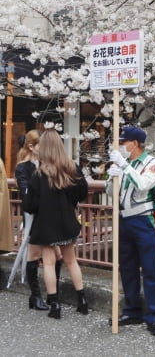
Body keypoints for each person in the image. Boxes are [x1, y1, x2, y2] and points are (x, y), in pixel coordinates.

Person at [22, 130, 89, 319]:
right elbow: (82, 191)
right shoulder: (72, 168)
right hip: (67, 222)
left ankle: (55, 306)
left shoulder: (39, 174)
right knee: (71, 261)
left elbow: (29, 205)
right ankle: (82, 301)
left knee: (49, 263)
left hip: (46, 225)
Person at [106, 125, 155, 336]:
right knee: (127, 268)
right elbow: (112, 193)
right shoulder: (124, 163)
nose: (121, 146)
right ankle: (132, 310)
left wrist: (123, 166)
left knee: (150, 270)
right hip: (124, 220)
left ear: (135, 144)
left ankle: (154, 316)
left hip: (144, 220)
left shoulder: (153, 163)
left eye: (124, 142)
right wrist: (112, 176)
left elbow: (142, 185)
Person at [12, 130, 62, 310]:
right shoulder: (22, 167)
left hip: (49, 216)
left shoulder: (47, 164)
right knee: (33, 254)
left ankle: (53, 294)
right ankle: (35, 295)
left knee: (57, 255)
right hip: (34, 216)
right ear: (31, 147)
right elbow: (26, 192)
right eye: (41, 145)